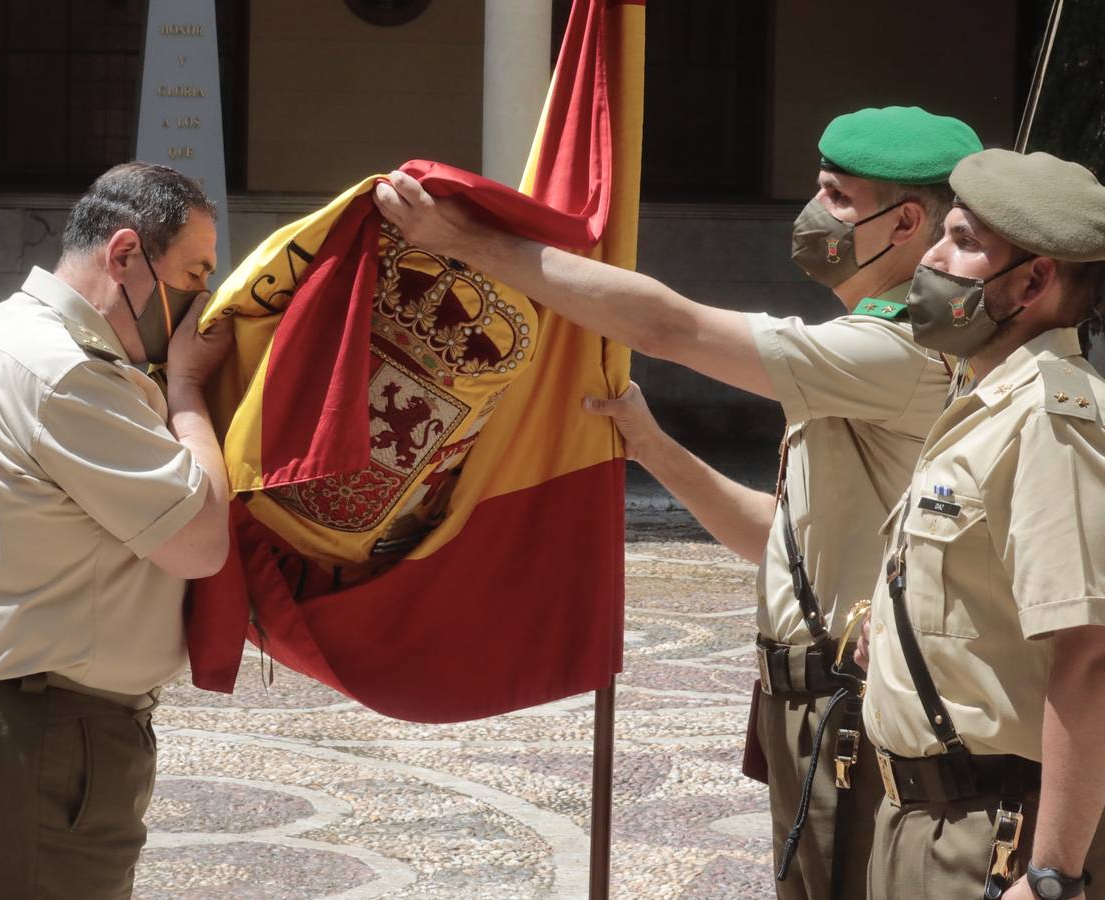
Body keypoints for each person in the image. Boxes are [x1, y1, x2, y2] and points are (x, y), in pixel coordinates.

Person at [374, 106, 981, 899]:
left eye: (836, 196)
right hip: (812, 707)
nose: (813, 213)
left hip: (859, 711)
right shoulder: (861, 350)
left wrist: (470, 245)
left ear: (903, 223)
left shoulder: (899, 349)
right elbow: (779, 543)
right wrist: (651, 445)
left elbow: (671, 327)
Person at [0, 161, 234, 900]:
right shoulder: (66, 372)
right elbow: (202, 541)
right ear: (125, 254)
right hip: (37, 736)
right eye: (195, 274)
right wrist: (187, 389)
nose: (204, 303)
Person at [857, 149, 1105, 900]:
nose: (931, 258)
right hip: (918, 818)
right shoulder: (986, 398)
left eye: (963, 242)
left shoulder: (1051, 417)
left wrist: (1053, 874)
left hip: (993, 834)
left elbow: (1089, 653)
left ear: (1032, 281)